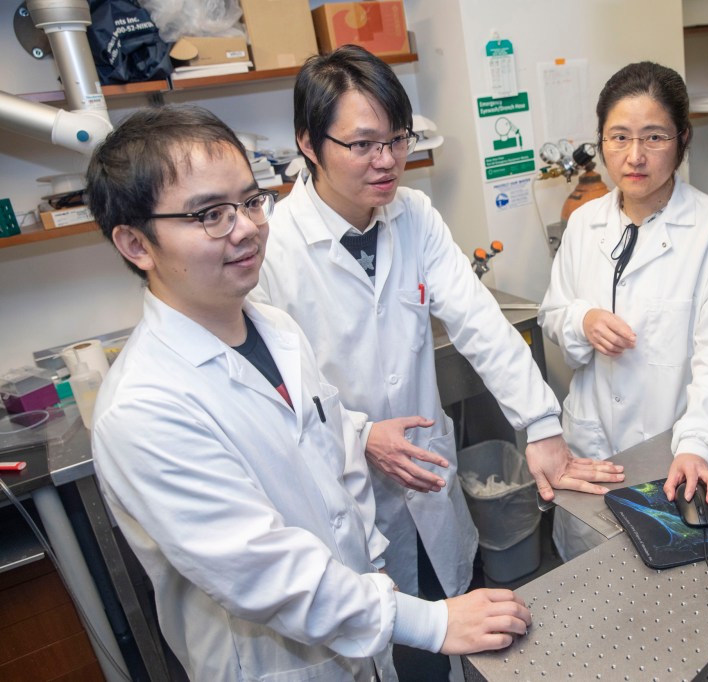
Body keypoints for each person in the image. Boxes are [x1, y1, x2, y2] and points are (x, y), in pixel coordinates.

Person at [86, 104, 531, 681]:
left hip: (356, 634)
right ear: (136, 245)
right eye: (210, 215)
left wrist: (371, 559)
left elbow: (332, 448)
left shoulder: (275, 330)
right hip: (276, 663)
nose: (245, 227)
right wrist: (430, 623)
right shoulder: (144, 409)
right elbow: (265, 573)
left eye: (249, 202)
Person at [255, 45, 623, 599]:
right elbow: (274, 392)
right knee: (386, 637)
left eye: (397, 139)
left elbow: (479, 322)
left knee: (451, 611)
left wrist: (541, 425)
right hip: (346, 493)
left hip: (428, 477)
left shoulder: (414, 215)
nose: (386, 160)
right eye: (362, 145)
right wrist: (357, 435)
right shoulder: (270, 247)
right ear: (308, 143)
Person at [539, 61, 708, 561]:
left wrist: (697, 444)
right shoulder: (583, 223)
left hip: (673, 450)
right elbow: (553, 312)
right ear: (601, 142)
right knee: (587, 589)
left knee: (669, 599)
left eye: (654, 137)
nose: (634, 156)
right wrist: (582, 320)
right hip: (590, 449)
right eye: (619, 137)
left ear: (682, 140)